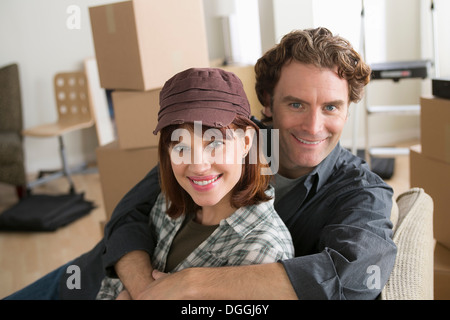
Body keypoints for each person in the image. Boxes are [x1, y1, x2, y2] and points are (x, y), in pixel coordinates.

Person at [4, 27, 396, 300]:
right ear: (267, 105)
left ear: (348, 110)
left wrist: (189, 286)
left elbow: (356, 275)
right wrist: (145, 290)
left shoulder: (359, 192)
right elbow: (128, 213)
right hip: (95, 275)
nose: (313, 125)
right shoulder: (218, 134)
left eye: (331, 107)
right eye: (296, 104)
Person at [95, 67, 294, 299]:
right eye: (181, 147)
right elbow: (111, 285)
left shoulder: (261, 251)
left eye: (215, 143)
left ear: (246, 142)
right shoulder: (168, 203)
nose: (198, 166)